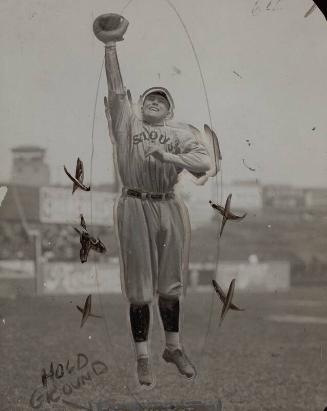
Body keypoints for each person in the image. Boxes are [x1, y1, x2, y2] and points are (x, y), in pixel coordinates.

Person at [93, 13, 211, 387]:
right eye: (150, 98)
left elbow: (205, 161)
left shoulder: (179, 134)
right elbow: (115, 89)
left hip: (169, 206)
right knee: (141, 287)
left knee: (170, 284)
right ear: (140, 103)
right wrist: (111, 46)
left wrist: (171, 158)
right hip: (134, 205)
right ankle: (143, 356)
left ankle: (172, 347)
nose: (154, 102)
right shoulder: (128, 124)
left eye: (162, 100)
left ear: (170, 110)